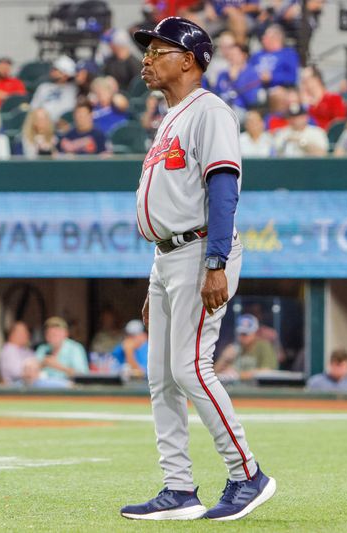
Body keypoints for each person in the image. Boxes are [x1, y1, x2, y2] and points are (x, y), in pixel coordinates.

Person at [122, 17, 275, 522]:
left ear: (188, 60)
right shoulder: (170, 117)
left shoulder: (209, 111)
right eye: (147, 51)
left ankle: (247, 473)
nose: (147, 59)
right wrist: (158, 270)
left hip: (201, 249)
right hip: (168, 255)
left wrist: (214, 263)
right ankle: (179, 489)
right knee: (161, 376)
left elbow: (223, 188)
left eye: (158, 51)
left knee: (190, 368)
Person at [29, 55, 79, 122]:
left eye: (56, 70)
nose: (52, 71)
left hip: (65, 127)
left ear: (65, 75)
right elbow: (33, 109)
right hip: (44, 126)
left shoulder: (73, 89)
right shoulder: (43, 87)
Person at [248, 24, 299, 89]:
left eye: (265, 36)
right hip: (255, 88)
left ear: (276, 38)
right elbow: (248, 70)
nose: (262, 39)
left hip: (278, 89)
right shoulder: (257, 55)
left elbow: (292, 77)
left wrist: (272, 77)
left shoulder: (288, 54)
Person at [229, 314, 278, 380]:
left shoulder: (264, 346)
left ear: (255, 332)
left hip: (258, 388)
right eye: (240, 333)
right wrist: (223, 358)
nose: (242, 337)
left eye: (246, 333)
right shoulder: (236, 348)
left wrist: (240, 375)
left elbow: (267, 371)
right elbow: (218, 372)